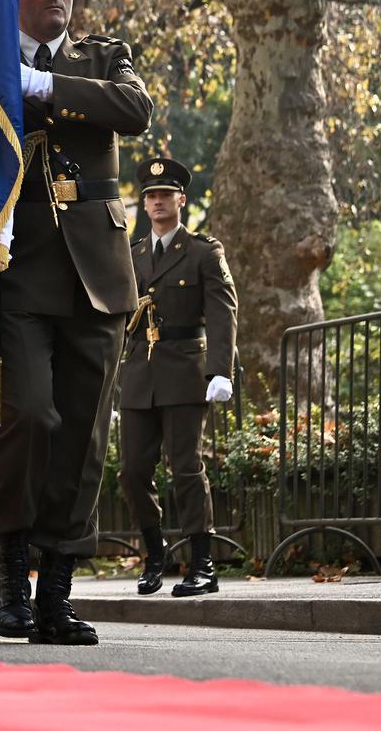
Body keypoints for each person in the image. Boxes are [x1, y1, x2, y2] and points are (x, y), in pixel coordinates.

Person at [0, 0, 153, 646]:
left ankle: (56, 589)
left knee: (82, 435)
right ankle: (13, 567)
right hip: (18, 272)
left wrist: (44, 84)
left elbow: (133, 111)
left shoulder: (102, 57)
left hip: (97, 275)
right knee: (28, 417)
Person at [119, 156, 238, 598]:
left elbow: (223, 312)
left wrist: (220, 371)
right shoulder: (132, 256)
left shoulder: (205, 251)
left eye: (165, 194)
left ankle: (203, 565)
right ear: (144, 205)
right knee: (132, 472)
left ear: (181, 200)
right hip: (139, 375)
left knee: (186, 468)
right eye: (150, 196)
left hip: (186, 370)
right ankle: (155, 555)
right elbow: (119, 320)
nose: (157, 202)